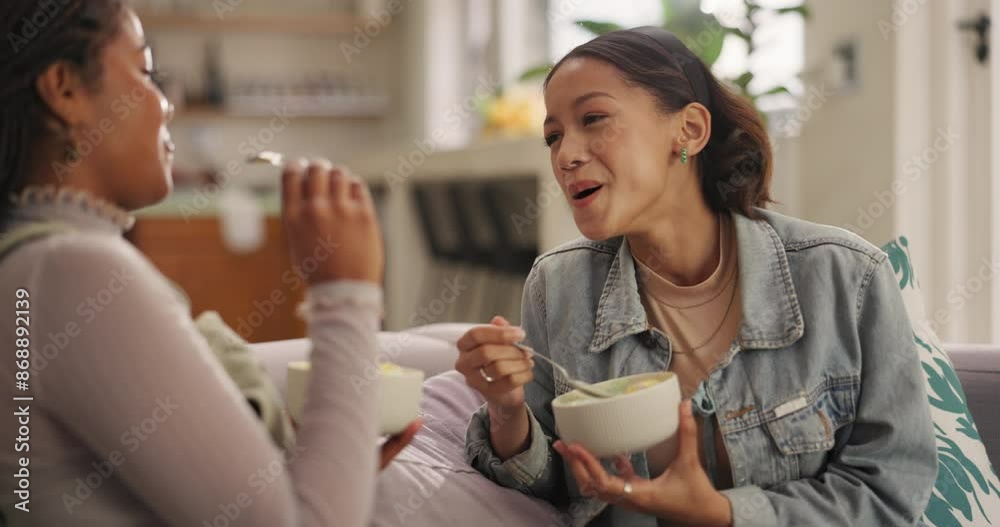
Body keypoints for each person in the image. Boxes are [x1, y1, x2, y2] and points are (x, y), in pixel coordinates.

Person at [456, 27, 937, 526]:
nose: (565, 155)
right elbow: (555, 485)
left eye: (593, 119)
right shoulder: (558, 287)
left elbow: (891, 493)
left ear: (688, 130)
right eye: (553, 136)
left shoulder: (847, 278)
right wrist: (508, 412)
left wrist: (726, 513)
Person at [0, 2, 416, 525]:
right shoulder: (69, 270)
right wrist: (346, 293)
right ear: (64, 89)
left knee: (444, 343)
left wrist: (334, 468)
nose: (168, 105)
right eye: (147, 73)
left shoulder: (37, 262)